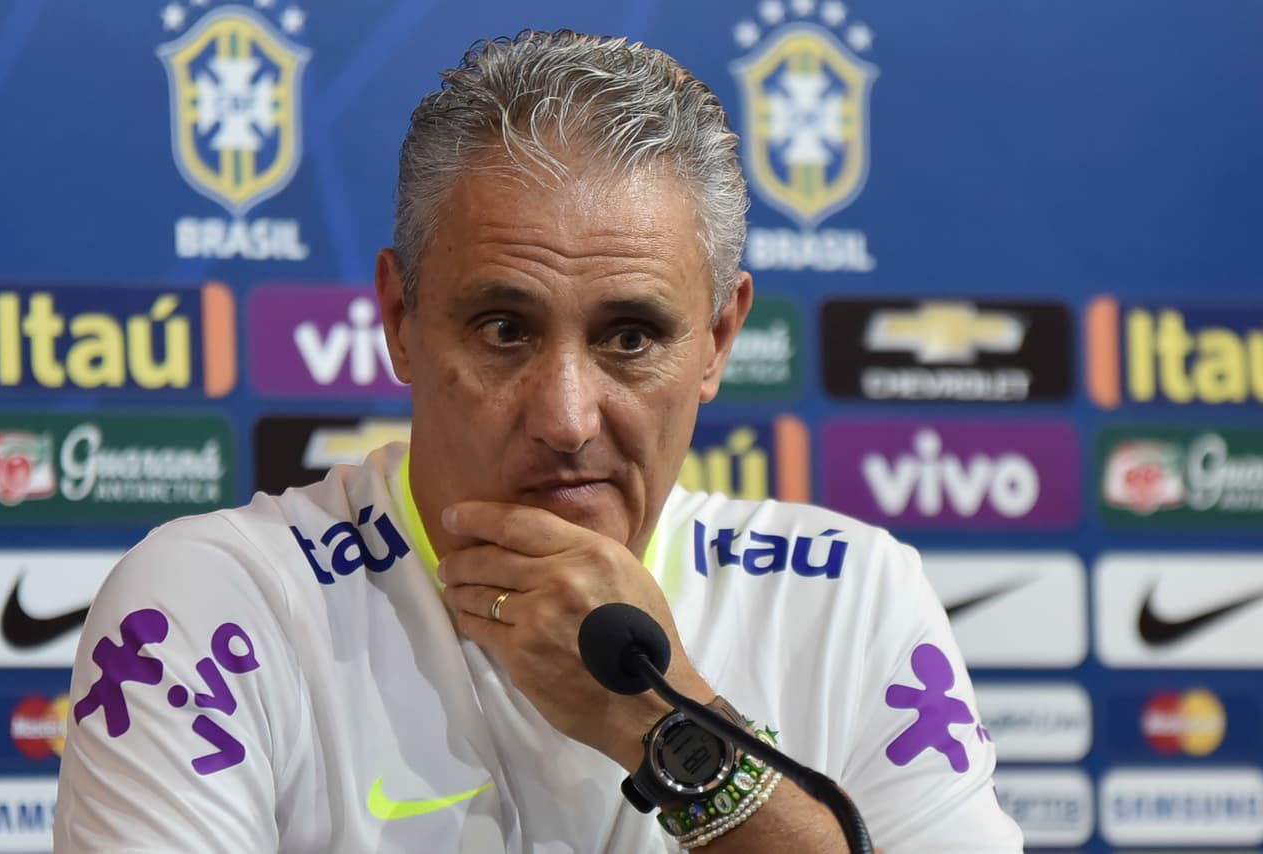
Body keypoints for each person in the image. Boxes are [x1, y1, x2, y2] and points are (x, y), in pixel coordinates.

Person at [55, 29, 1024, 853]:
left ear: (718, 339)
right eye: (504, 329)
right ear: (399, 316)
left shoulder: (847, 594)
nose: (565, 415)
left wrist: (661, 726)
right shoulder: (216, 601)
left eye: (630, 337)